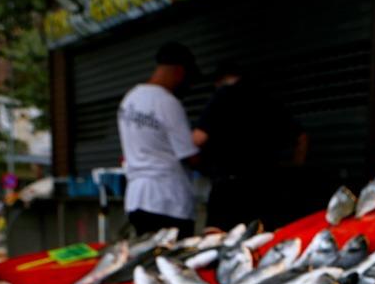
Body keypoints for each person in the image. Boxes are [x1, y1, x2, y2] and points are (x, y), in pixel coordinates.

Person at [117, 42, 200, 238]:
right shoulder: (168, 103)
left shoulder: (129, 99)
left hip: (137, 199)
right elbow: (189, 155)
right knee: (174, 256)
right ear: (179, 72)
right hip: (169, 202)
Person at [192, 61, 276, 229]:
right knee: (260, 236)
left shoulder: (222, 96)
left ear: (219, 81)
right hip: (265, 185)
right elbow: (301, 138)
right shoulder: (265, 98)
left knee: (219, 237)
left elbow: (197, 139)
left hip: (228, 188)